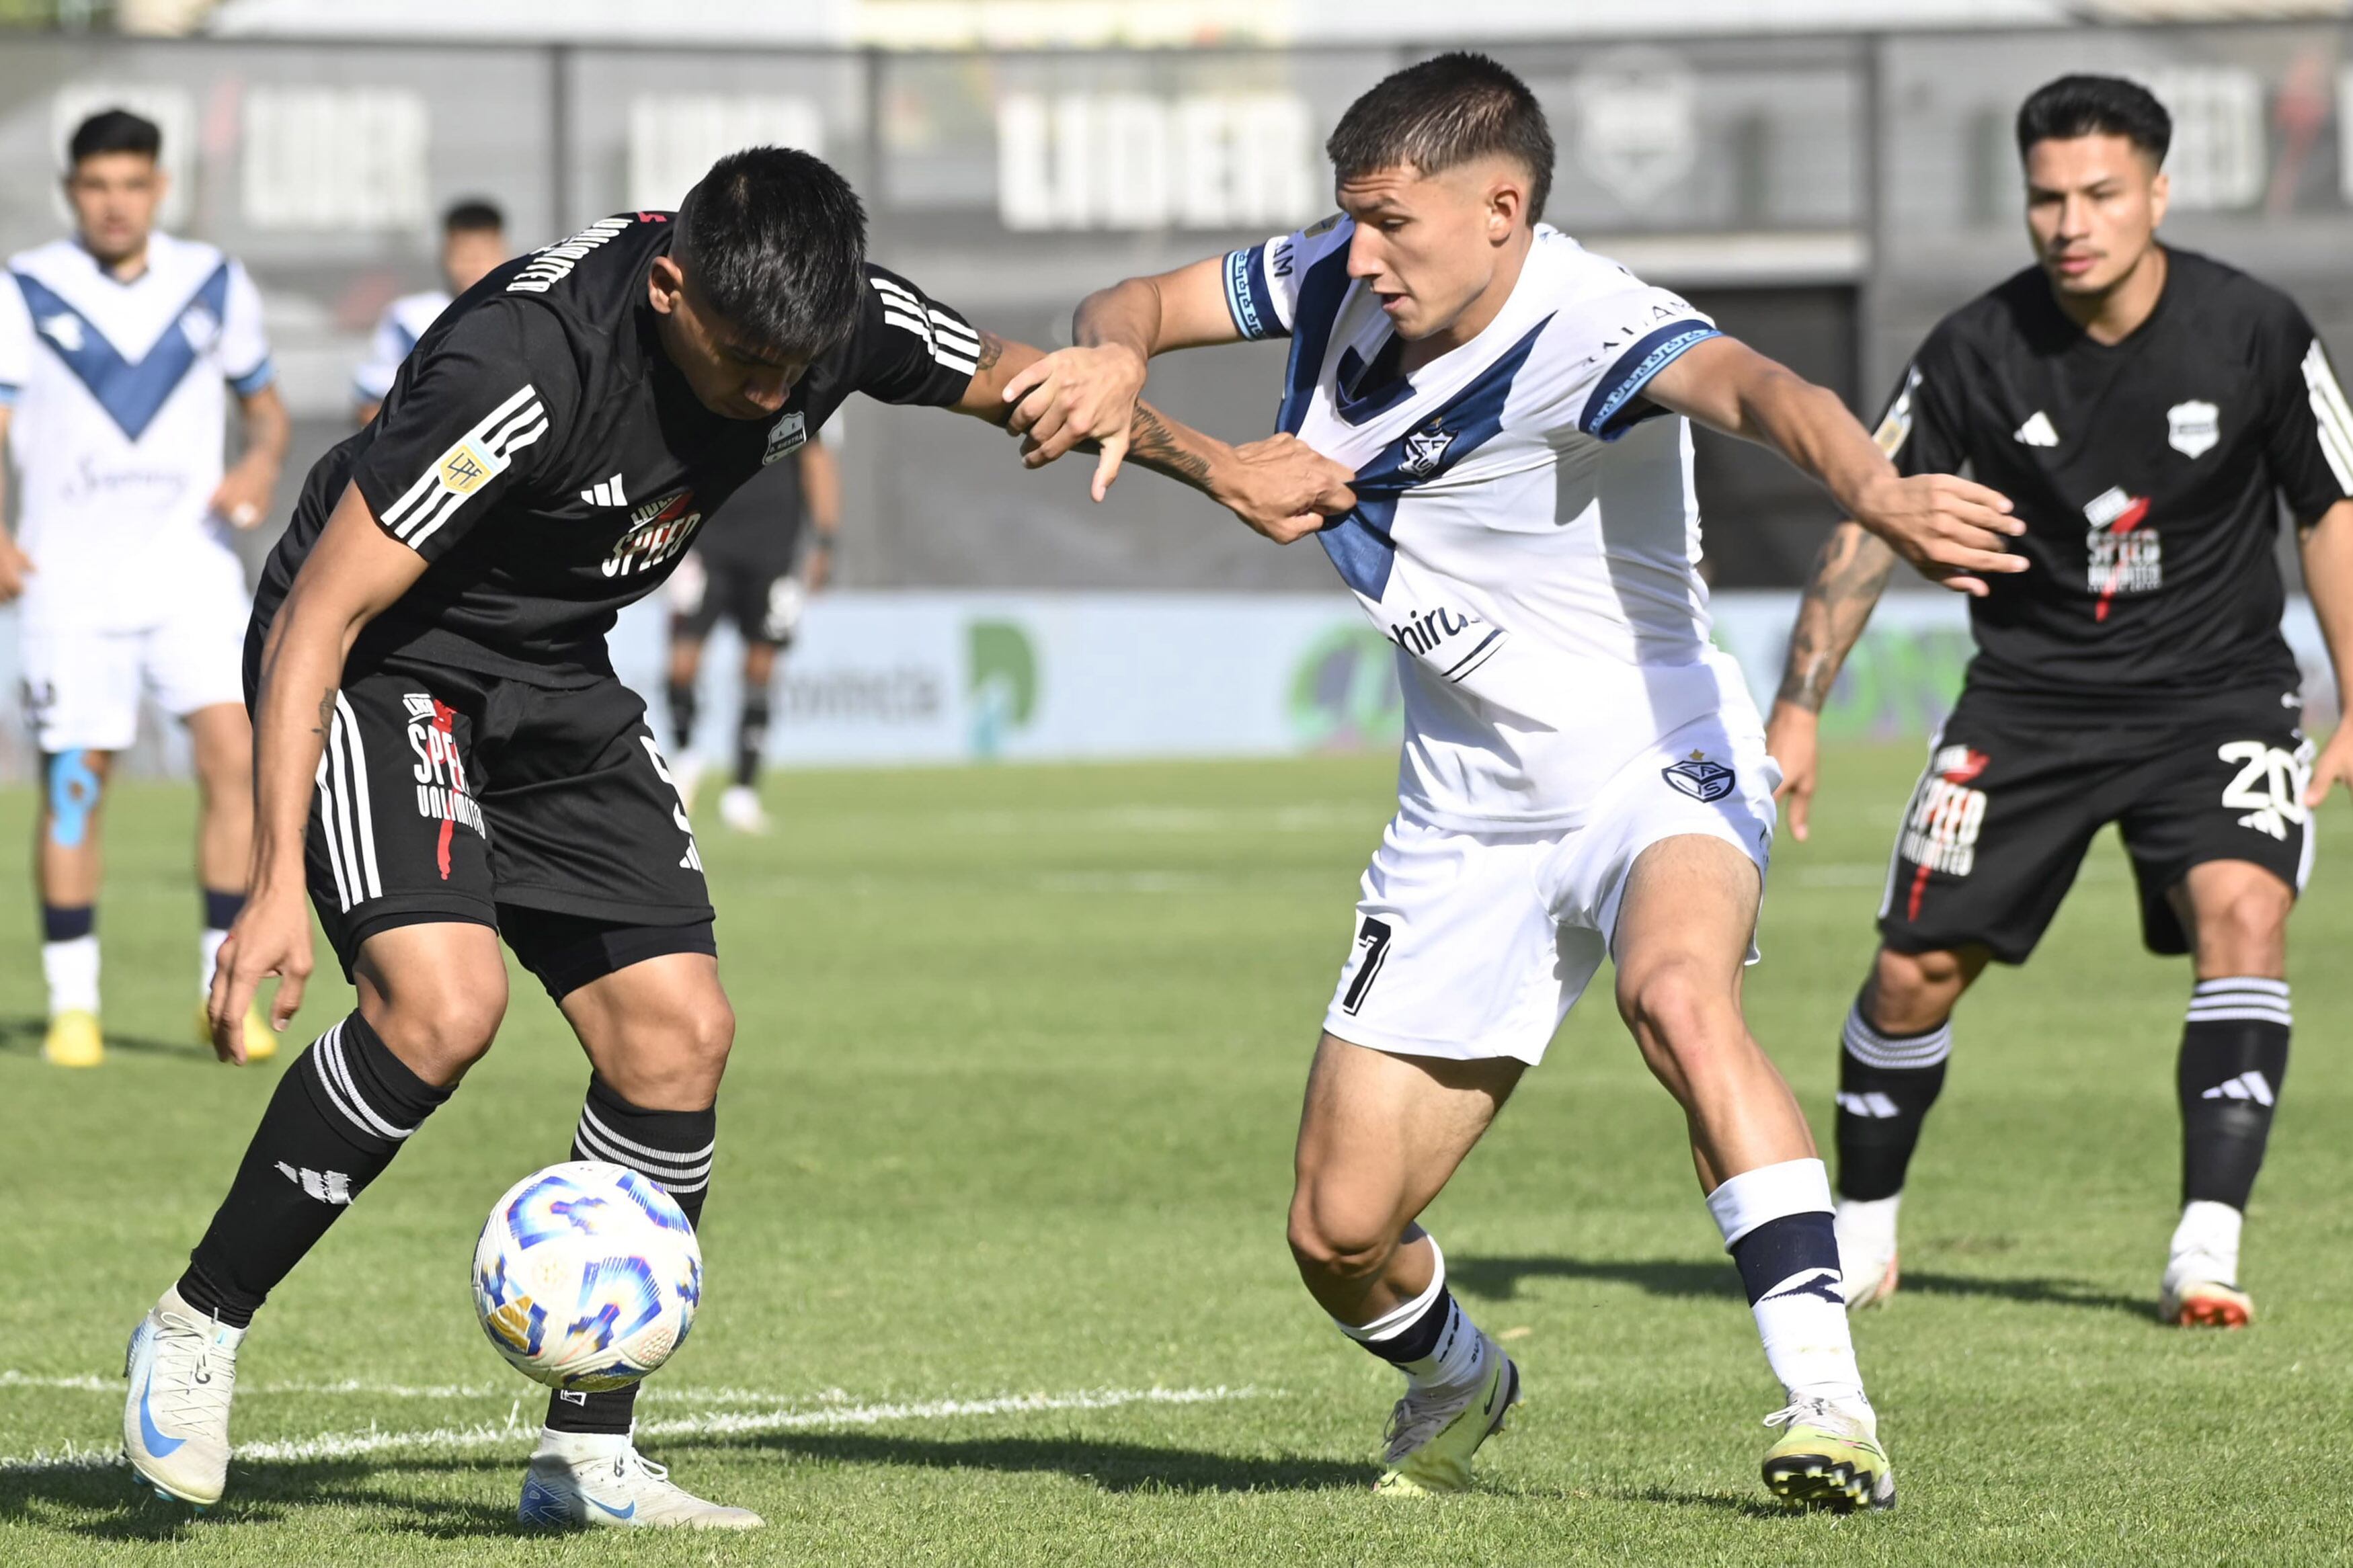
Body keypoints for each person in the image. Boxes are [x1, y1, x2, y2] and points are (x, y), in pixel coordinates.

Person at [119, 145, 1348, 1528]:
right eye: (747, 364)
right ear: (667, 289)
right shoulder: (523, 365)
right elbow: (320, 614)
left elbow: (1037, 384)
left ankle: (586, 1456)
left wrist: (1222, 468)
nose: (773, 397)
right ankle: (198, 1320)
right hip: (386, 662)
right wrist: (271, 886)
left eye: (795, 370)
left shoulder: (834, 317)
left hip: (555, 673)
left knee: (678, 1035)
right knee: (442, 1008)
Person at [1005, 53, 2026, 1510]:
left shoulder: (1594, 323)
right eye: (1352, 217)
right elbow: (1134, 304)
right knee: (1337, 1230)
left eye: (1391, 223)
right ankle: (1462, 1373)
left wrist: (1874, 488)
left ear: (1501, 208)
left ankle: (1828, 1401)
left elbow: (1761, 388)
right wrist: (1113, 355)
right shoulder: (1336, 267)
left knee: (1678, 993)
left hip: (1652, 761)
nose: (1361, 254)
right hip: (1464, 814)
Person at [1765, 74, 2353, 1331]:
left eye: (2100, 193)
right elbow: (1874, 516)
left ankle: (2206, 1248)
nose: (2071, 222)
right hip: (2028, 702)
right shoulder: (1975, 348)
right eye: (2047, 198)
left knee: (2245, 913)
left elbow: (2330, 509)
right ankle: (1864, 1229)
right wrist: (1800, 704)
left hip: (2218, 697)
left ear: (2159, 192)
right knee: (1914, 972)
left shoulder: (2254, 329)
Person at [0, 108, 289, 1069]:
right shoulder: (26, 287)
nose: (114, 203)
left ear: (159, 187)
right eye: (96, 186)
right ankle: (73, 1006)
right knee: (75, 787)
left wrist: (259, 465)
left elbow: (266, 411)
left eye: (131, 184)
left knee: (234, 762)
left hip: (190, 575)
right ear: (71, 191)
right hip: (69, 585)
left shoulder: (213, 280)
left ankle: (223, 993)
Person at [661, 421, 842, 833]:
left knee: (760, 670)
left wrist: (825, 540)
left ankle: (743, 791)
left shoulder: (796, 401)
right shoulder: (710, 394)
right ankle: (686, 756)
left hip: (773, 552)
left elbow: (818, 463)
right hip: (704, 545)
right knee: (681, 664)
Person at [353, 198, 508, 427]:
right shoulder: (407, 319)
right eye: (464, 255)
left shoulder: (525, 315)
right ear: (444, 254)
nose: (474, 265)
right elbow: (370, 408)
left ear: (504, 252)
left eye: (483, 255)